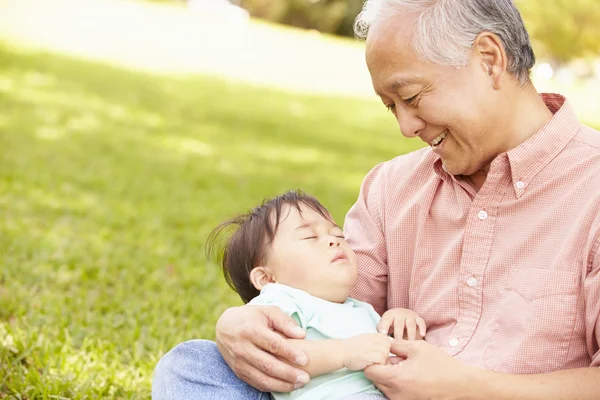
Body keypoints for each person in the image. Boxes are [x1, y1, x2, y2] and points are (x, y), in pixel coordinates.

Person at [153, 0, 600, 399]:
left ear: (488, 59)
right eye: (391, 107)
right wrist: (242, 325)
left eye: (411, 96)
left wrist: (471, 389)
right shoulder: (392, 187)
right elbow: (323, 309)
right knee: (196, 364)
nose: (406, 127)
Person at [164, 190, 427, 399]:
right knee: (189, 361)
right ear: (267, 278)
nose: (334, 240)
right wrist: (343, 353)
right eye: (309, 237)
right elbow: (278, 356)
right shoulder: (283, 301)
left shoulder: (360, 309)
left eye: (338, 234)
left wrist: (398, 321)